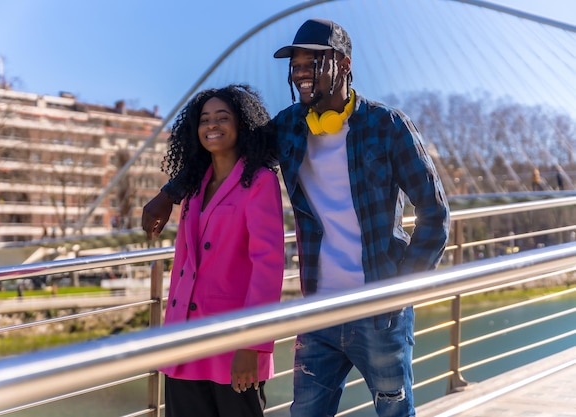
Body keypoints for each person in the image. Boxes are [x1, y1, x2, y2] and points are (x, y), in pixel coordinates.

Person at [143, 19, 449, 417]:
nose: (300, 74)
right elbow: (230, 149)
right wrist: (170, 193)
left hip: (379, 312)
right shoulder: (289, 127)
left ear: (344, 63)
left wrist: (400, 290)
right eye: (295, 65)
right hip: (317, 310)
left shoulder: (387, 127)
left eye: (312, 63)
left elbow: (435, 214)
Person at [157, 84, 285, 417]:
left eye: (222, 117)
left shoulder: (259, 181)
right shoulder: (195, 186)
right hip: (184, 339)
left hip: (233, 343)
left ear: (241, 124)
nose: (212, 125)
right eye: (205, 119)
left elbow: (268, 267)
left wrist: (252, 344)